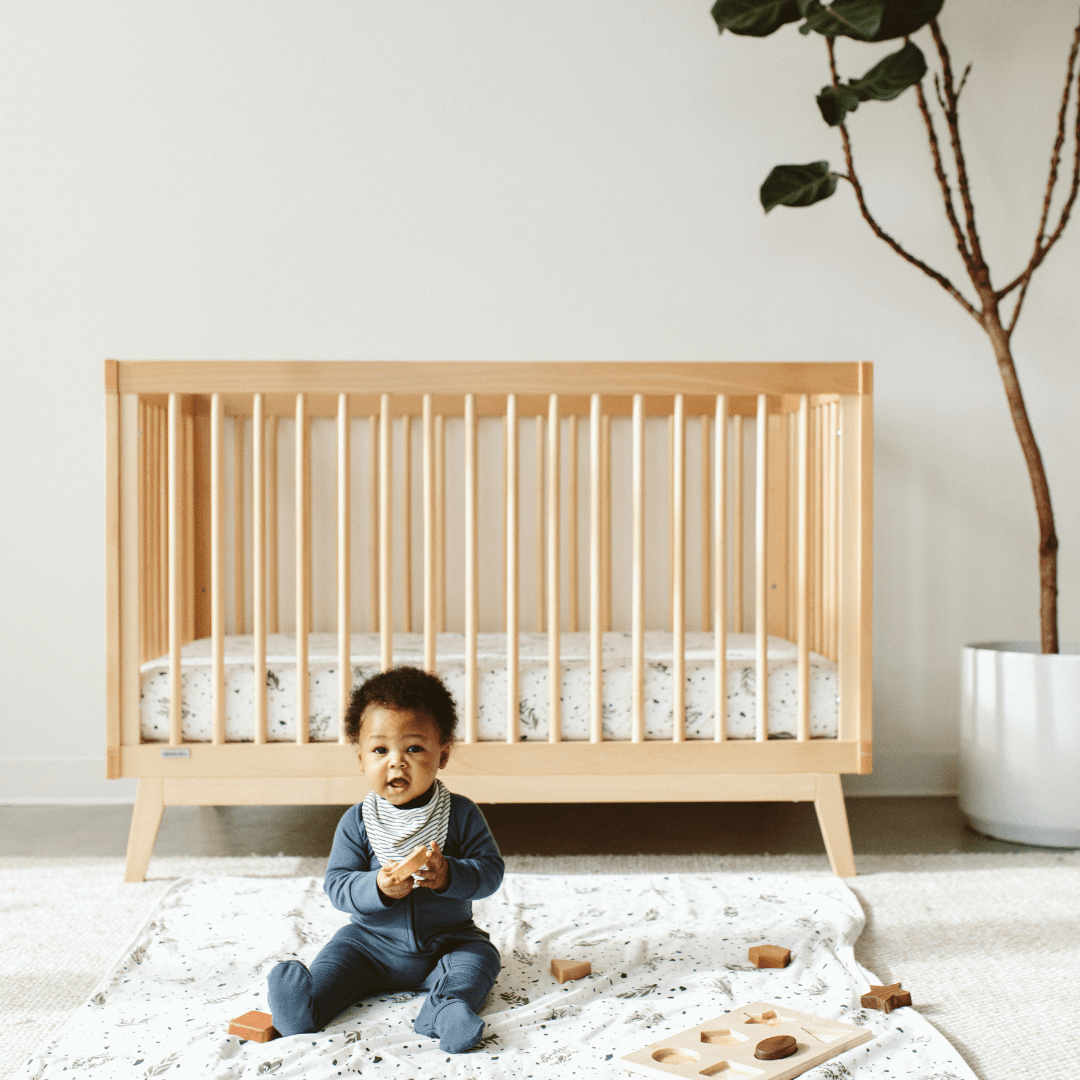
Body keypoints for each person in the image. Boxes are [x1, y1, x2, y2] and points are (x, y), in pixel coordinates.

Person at [267, 666, 504, 1053]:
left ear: (443, 753)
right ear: (361, 758)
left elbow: (491, 872)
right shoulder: (357, 821)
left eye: (414, 748)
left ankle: (446, 1011)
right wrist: (376, 886)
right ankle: (301, 1010)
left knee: (480, 960)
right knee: (336, 962)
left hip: (448, 943)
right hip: (368, 946)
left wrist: (450, 874)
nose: (396, 762)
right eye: (380, 750)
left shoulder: (461, 813)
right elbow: (338, 885)